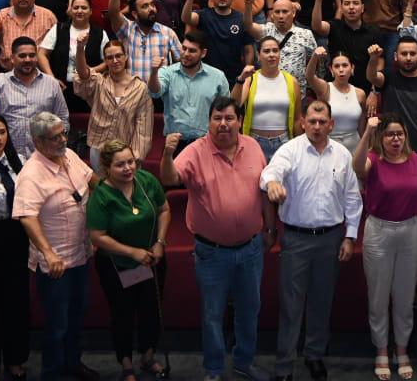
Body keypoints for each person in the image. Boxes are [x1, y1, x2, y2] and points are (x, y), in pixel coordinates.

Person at [159, 96, 275, 381]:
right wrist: (166, 154)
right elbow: (170, 178)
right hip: (212, 252)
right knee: (212, 314)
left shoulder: (253, 147)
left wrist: (270, 229)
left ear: (239, 121)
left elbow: (263, 192)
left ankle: (244, 362)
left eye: (229, 118)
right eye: (217, 118)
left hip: (251, 248)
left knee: (249, 310)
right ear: (208, 121)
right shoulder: (196, 151)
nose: (223, 124)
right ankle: (213, 370)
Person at [260, 100, 363, 381]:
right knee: (291, 307)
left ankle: (314, 355)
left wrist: (350, 236)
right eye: (312, 122)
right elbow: (271, 172)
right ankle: (284, 366)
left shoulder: (342, 154)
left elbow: (352, 198)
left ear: (331, 124)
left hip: (331, 238)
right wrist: (272, 183)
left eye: (322, 122)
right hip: (296, 239)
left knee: (321, 302)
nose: (317, 127)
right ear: (303, 122)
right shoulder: (289, 150)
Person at [14, 111, 98, 381]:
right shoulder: (31, 174)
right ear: (38, 142)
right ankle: (51, 373)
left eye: (64, 133)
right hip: (56, 264)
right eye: (56, 137)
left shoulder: (69, 156)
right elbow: (27, 217)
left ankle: (72, 363)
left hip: (81, 254)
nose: (63, 139)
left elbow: (94, 182)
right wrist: (48, 254)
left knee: (76, 317)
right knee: (57, 324)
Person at [86, 139, 172, 381]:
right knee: (122, 313)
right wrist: (132, 252)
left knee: (151, 310)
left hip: (151, 260)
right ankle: (126, 364)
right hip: (116, 265)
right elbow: (97, 236)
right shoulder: (102, 195)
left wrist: (160, 242)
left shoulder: (146, 181)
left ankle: (148, 356)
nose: (128, 168)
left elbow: (164, 210)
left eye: (131, 162)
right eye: (120, 164)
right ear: (106, 167)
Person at [351, 112, 417, 381]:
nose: (395, 139)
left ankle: (402, 349)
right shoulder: (373, 159)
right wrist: (367, 134)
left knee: (405, 296)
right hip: (379, 231)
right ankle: (382, 349)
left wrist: (416, 227)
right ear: (381, 138)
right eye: (390, 134)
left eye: (399, 134)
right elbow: (357, 167)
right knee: (379, 296)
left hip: (409, 231)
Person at [0, 37, 70, 159]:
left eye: (32, 55)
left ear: (37, 57)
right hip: (9, 157)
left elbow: (63, 119)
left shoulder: (51, 84)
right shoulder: (0, 81)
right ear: (12, 58)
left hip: (43, 156)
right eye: (22, 56)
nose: (27, 60)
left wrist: (56, 145)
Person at [74, 27, 154, 167]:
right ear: (105, 61)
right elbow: (83, 75)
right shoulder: (99, 82)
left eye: (118, 56)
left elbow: (144, 128)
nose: (115, 60)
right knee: (104, 187)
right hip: (99, 149)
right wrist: (80, 48)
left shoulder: (140, 88)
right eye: (110, 58)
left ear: (126, 57)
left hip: (126, 151)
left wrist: (135, 157)